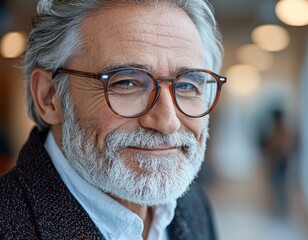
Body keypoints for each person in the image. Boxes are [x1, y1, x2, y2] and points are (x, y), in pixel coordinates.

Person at [0, 0, 226, 239]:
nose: (167, 122)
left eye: (186, 86)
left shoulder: (193, 206)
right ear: (48, 97)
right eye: (126, 83)